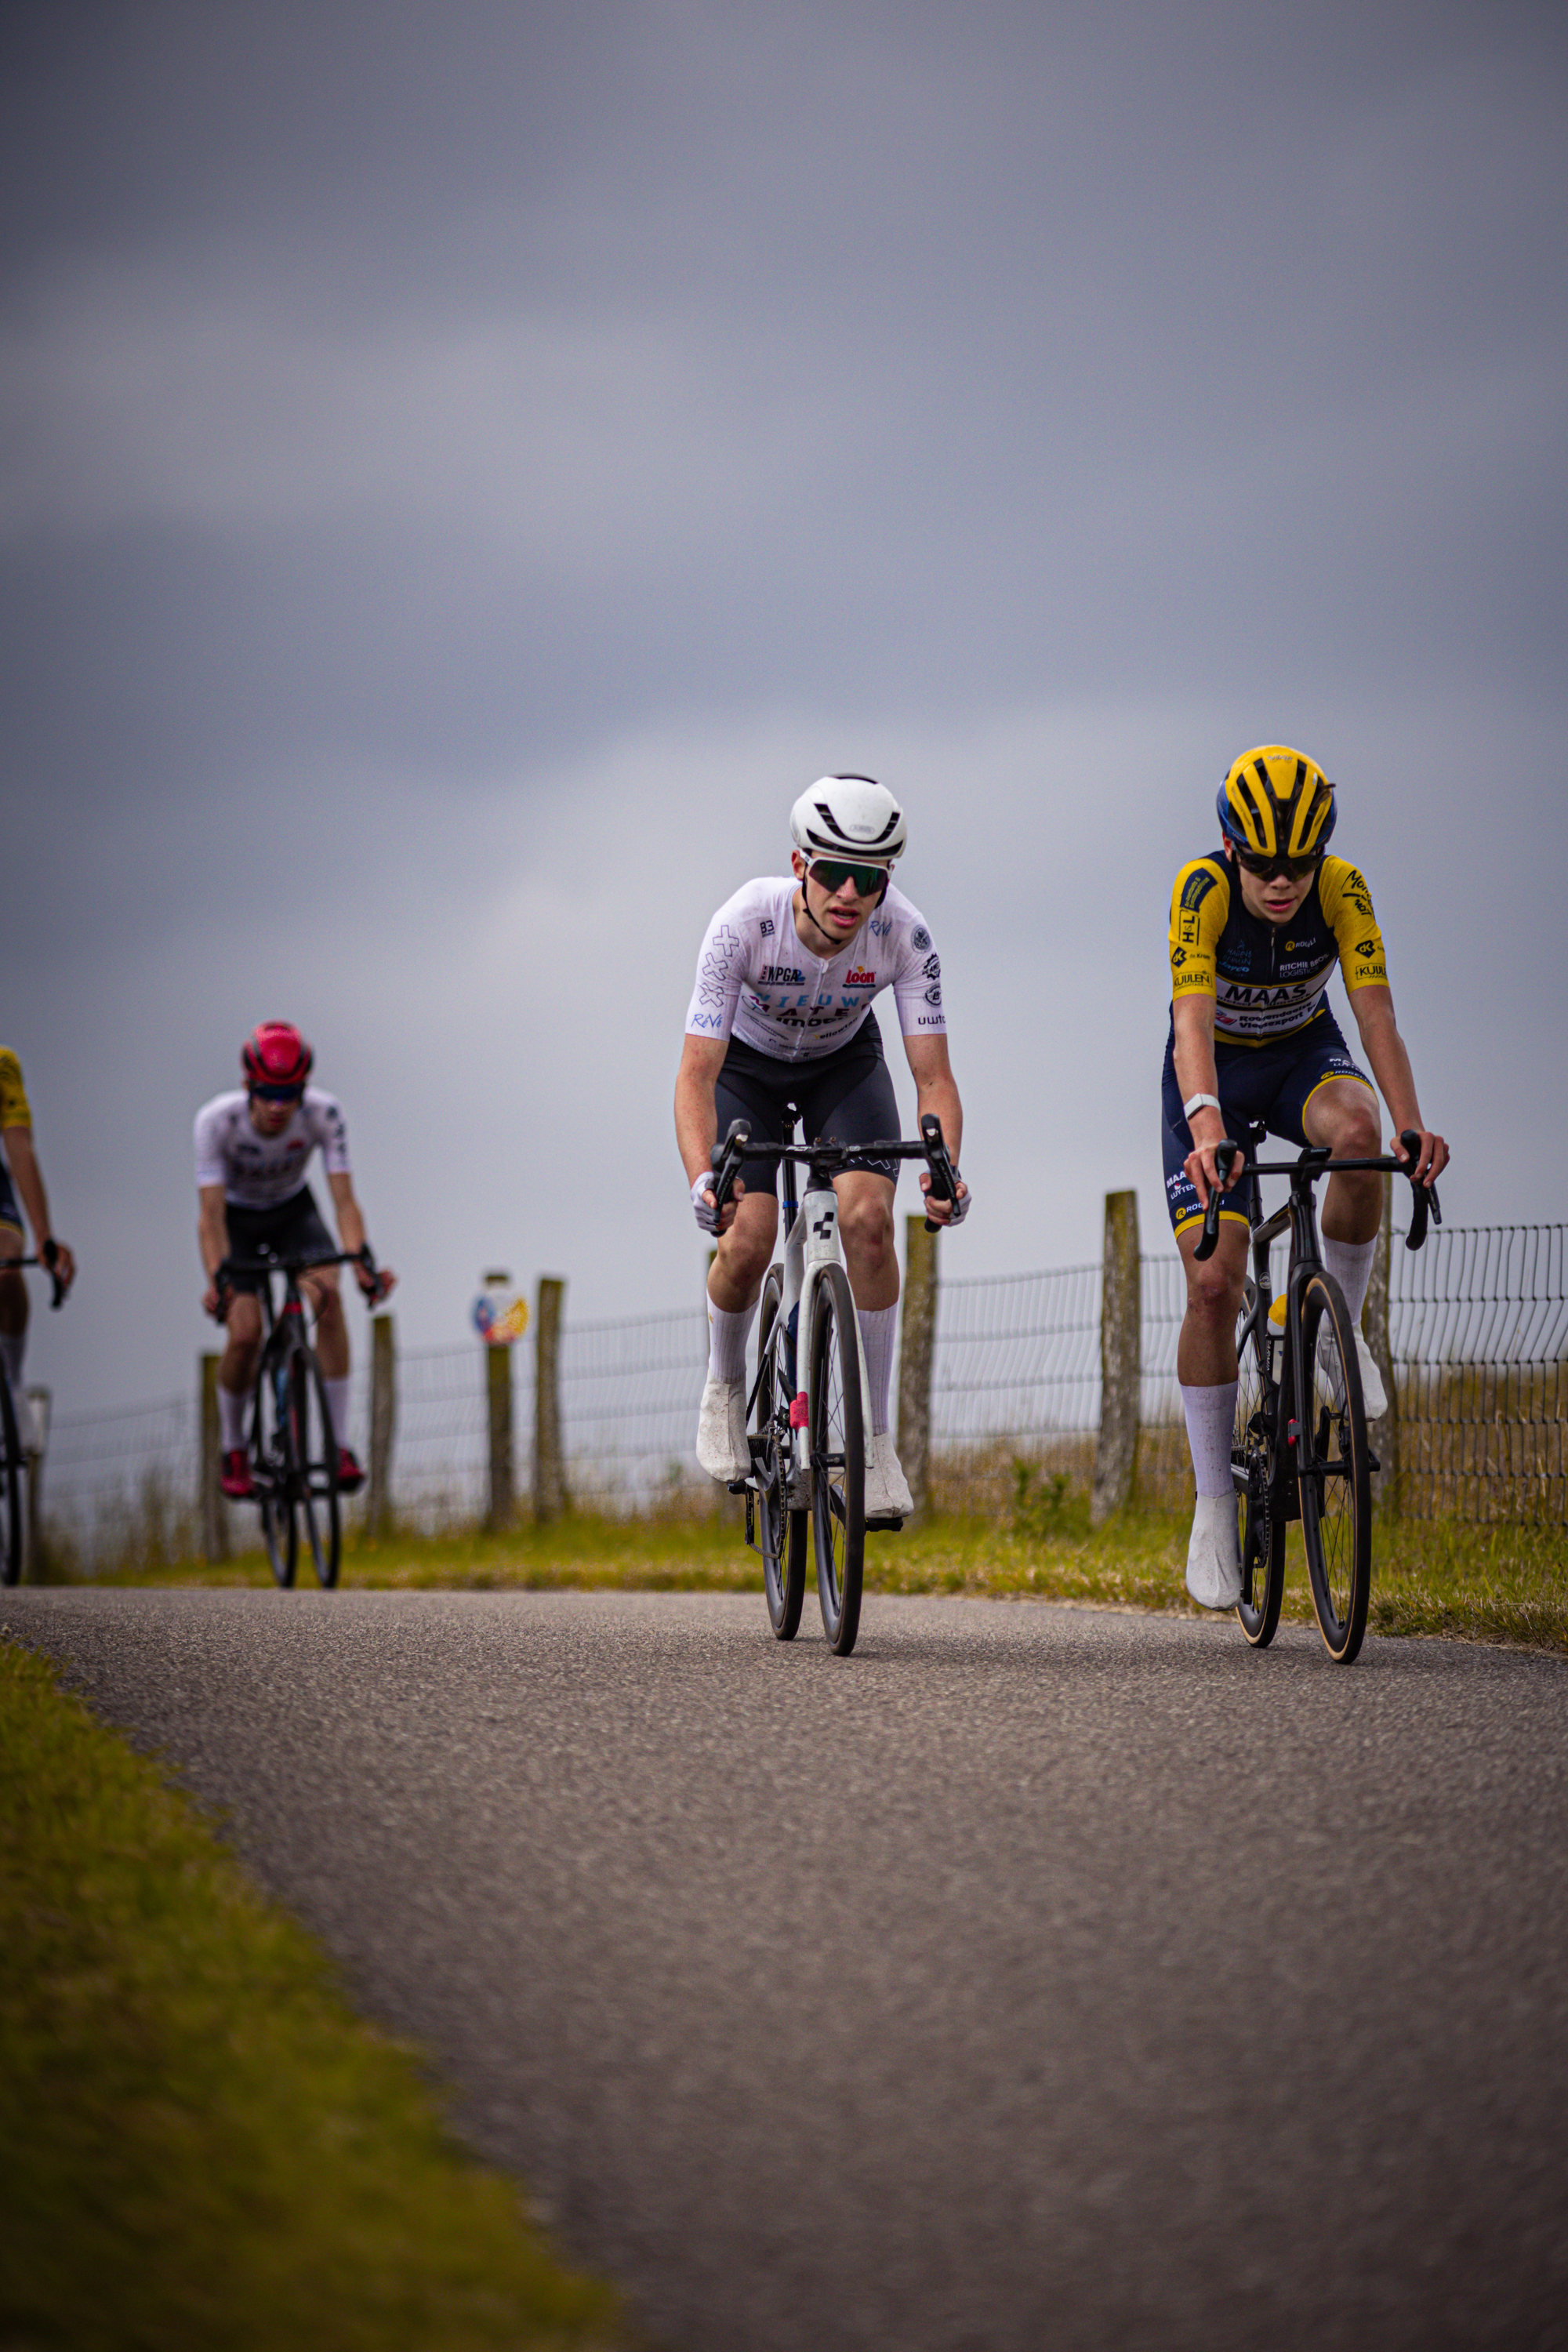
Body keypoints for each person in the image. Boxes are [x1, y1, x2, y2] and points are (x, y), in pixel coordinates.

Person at [1164, 744, 1447, 1609]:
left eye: (1299, 863)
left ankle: (1330, 1329)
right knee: (1213, 1284)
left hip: (1299, 1061)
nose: (1281, 882)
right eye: (1262, 865)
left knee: (1360, 1138)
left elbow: (1374, 1013)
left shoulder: (1340, 888)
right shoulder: (1200, 891)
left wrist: (1407, 1122)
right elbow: (1190, 1020)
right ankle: (1215, 1504)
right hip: (1213, 1073)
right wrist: (1205, 1125)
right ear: (1227, 847)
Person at [674, 775, 969, 1523]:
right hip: (746, 1068)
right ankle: (724, 1385)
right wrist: (701, 1180)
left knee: (870, 1221)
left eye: (866, 878)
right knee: (748, 1237)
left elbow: (932, 1075)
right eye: (831, 871)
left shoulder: (906, 933)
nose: (847, 892)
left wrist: (947, 1171)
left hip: (845, 1062)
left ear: (885, 882)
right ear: (799, 866)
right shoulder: (744, 922)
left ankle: (874, 1444)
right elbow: (694, 1075)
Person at [195, 1023, 394, 1499]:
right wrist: (218, 1278)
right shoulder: (216, 1124)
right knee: (244, 1334)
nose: (279, 1106)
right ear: (248, 1086)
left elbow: (345, 1203)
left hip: (293, 1213)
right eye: (267, 1093)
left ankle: (338, 1445)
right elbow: (210, 1217)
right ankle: (235, 1446)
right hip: (237, 1222)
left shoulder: (324, 1114)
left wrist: (361, 1260)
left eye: (290, 1093)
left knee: (329, 1297)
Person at [0, 1045, 78, 1437]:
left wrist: (44, 1236)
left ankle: (11, 1382)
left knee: (6, 1264)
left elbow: (19, 1149)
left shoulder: (2, 1064)